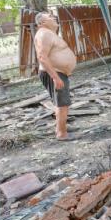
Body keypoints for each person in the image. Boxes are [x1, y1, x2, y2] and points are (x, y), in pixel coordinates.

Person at [34, 12, 77, 141]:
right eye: (50, 17)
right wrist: (55, 77)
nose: (54, 18)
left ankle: (61, 128)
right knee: (62, 104)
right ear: (42, 23)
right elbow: (42, 56)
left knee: (62, 103)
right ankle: (61, 134)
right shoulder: (44, 33)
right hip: (54, 72)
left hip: (58, 72)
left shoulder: (49, 34)